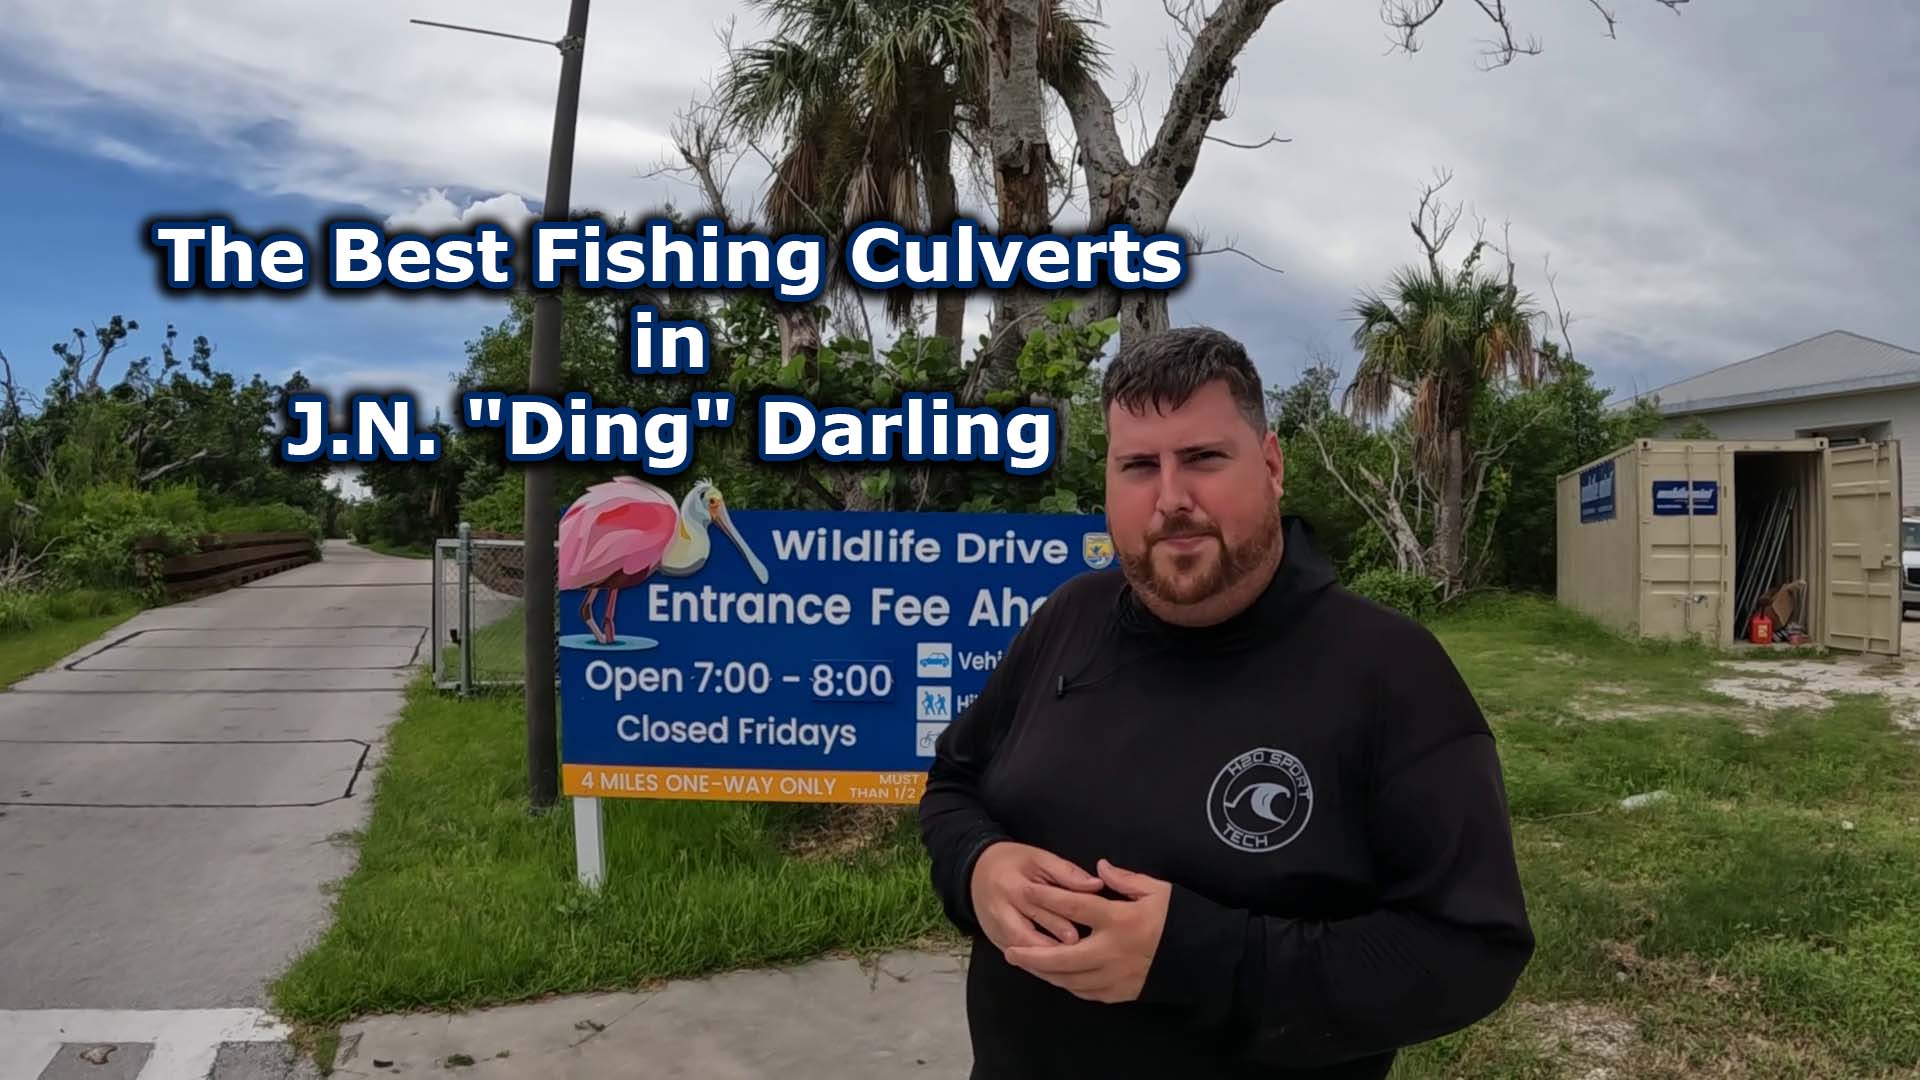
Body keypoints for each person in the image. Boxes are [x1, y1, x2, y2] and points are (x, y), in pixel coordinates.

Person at [917, 327, 1534, 1079]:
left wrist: (1201, 960)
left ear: (1271, 466)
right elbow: (953, 784)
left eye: (1204, 459)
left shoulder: (1389, 672)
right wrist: (980, 867)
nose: (1172, 500)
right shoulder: (1068, 621)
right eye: (1139, 466)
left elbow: (1471, 949)